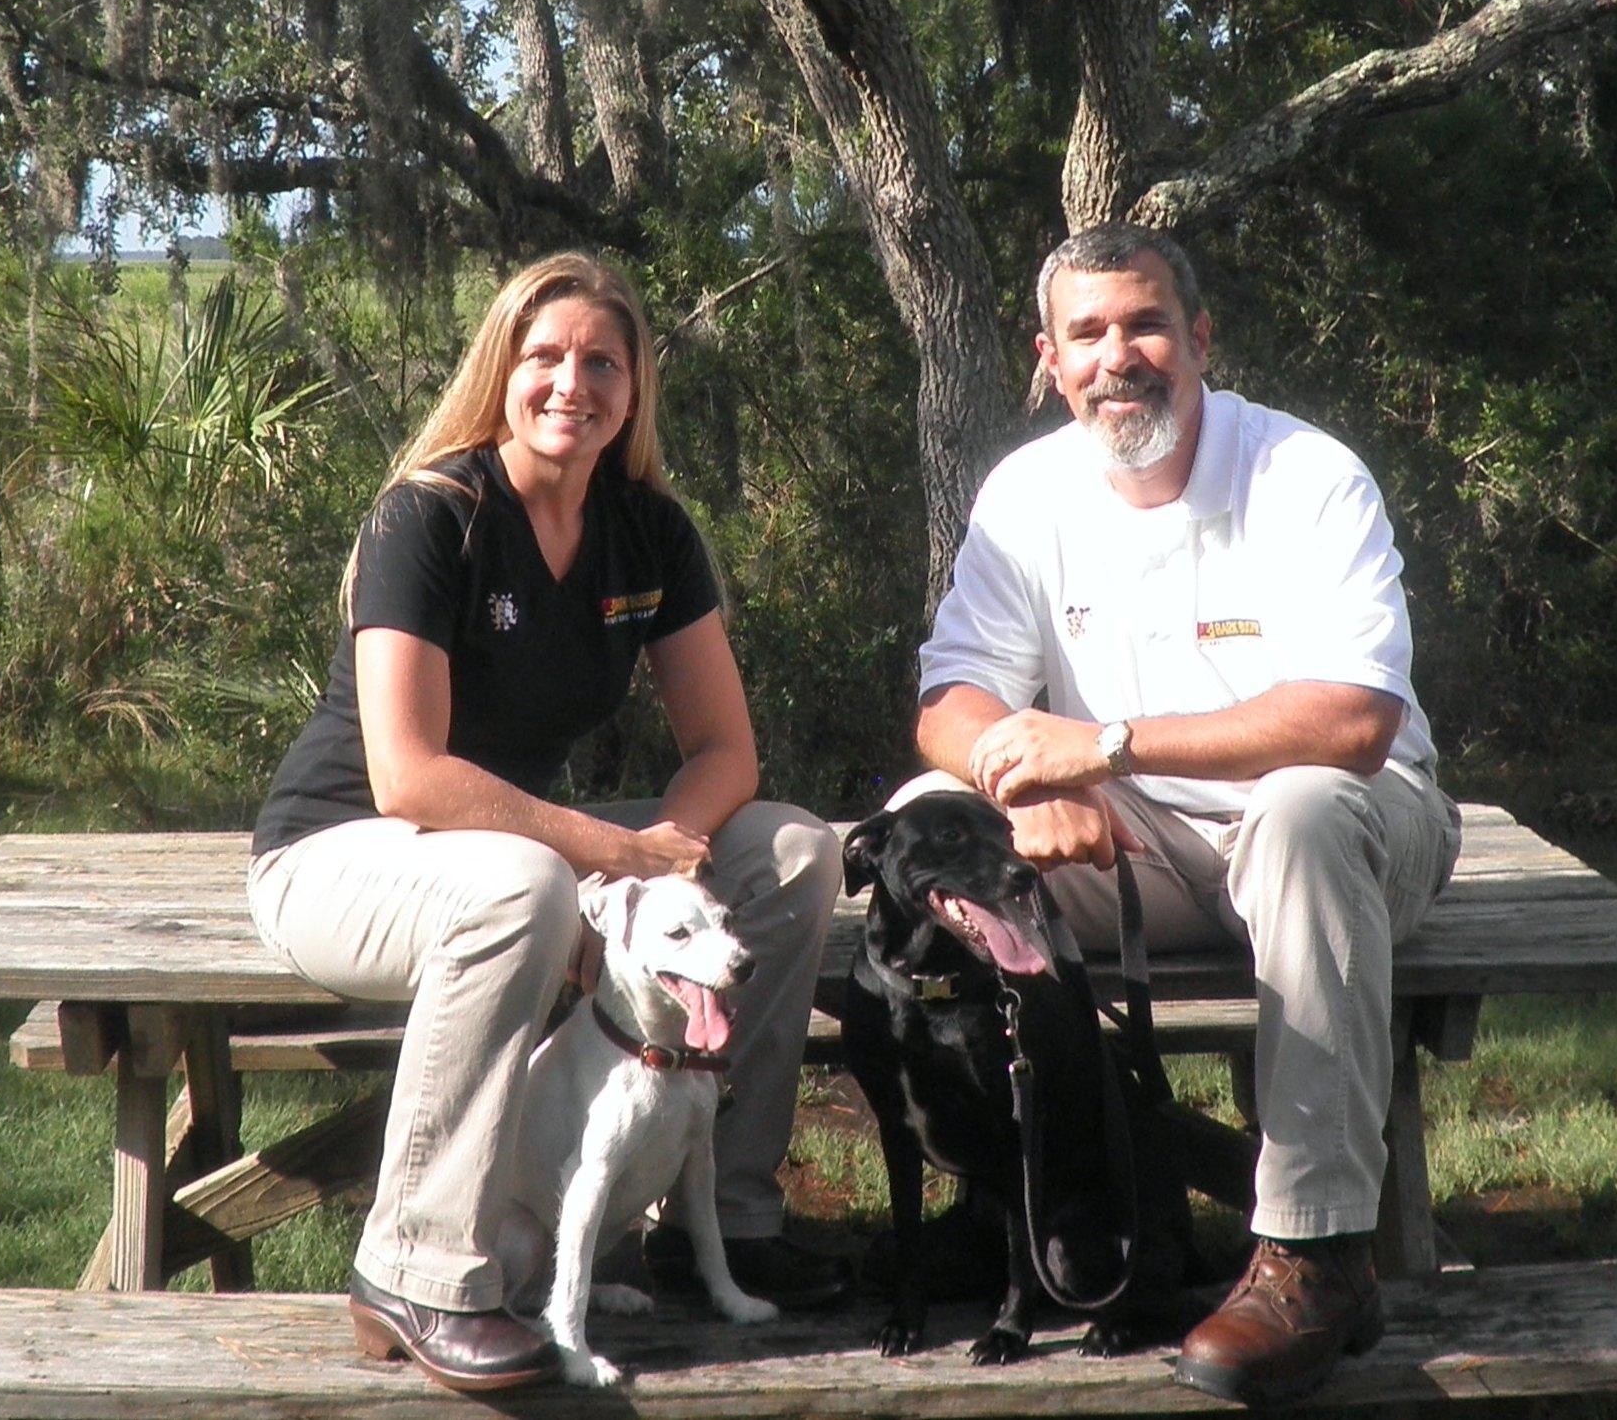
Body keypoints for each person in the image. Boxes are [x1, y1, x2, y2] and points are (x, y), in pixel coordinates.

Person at [247, 252, 846, 1393]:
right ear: (502, 372)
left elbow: (724, 750)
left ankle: (714, 1222)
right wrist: (611, 855)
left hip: (518, 848)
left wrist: (657, 868)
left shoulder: (649, 532)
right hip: (341, 853)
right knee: (521, 884)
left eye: (601, 362)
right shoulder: (430, 514)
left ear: (633, 389)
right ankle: (417, 1268)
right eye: (545, 358)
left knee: (793, 852)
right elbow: (409, 777)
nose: (572, 383)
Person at [898, 222, 1461, 1407]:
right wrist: (1020, 789)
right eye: (1087, 334)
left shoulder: (1304, 472)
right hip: (1140, 836)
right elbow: (951, 700)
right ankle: (1034, 1196)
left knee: (1300, 813)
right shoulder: (1026, 494)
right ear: (1048, 363)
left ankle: (1313, 1254)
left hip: (1349, 826)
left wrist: (1098, 749)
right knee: (924, 829)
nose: (1120, 356)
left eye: (1146, 324)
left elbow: (1352, 722)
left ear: (1198, 339)